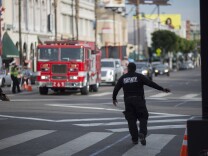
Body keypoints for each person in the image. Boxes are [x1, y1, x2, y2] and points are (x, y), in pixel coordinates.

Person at [112, 62, 170, 145]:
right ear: (135, 69)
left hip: (128, 101)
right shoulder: (139, 77)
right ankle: (142, 133)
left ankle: (134, 139)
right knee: (143, 117)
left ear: (128, 69)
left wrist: (114, 98)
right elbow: (151, 83)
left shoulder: (123, 78)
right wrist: (162, 89)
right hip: (139, 100)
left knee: (131, 120)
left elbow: (116, 88)